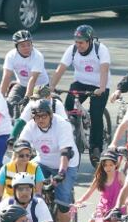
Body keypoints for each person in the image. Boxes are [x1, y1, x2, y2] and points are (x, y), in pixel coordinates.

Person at [16, 99, 79, 222]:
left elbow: (66, 153)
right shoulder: (31, 127)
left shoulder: (62, 125)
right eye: (37, 117)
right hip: (43, 162)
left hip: (66, 164)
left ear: (51, 115)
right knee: (27, 190)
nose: (41, 120)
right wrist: (14, 171)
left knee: (63, 200)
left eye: (44, 116)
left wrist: (61, 173)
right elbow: (21, 149)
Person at [47, 24, 111, 157]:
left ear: (90, 40)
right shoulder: (72, 50)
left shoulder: (100, 49)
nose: (78, 45)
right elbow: (61, 68)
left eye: (81, 42)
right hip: (80, 83)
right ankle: (74, 134)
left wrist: (102, 88)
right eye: (76, 42)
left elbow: (104, 69)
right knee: (68, 108)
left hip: (99, 85)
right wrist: (51, 87)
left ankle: (96, 147)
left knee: (95, 113)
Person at [0, 30, 49, 117]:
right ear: (16, 47)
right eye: (22, 45)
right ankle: (13, 124)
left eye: (28, 44)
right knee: (10, 102)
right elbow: (6, 77)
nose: (26, 48)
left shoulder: (37, 56)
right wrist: (0, 97)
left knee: (36, 108)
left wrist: (27, 98)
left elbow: (32, 79)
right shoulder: (11, 56)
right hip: (21, 84)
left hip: (40, 86)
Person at [0, 141, 45, 211]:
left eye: (28, 155)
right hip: (9, 202)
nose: (25, 158)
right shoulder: (6, 168)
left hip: (29, 202)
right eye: (21, 156)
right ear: (14, 154)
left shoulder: (36, 168)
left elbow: (38, 192)